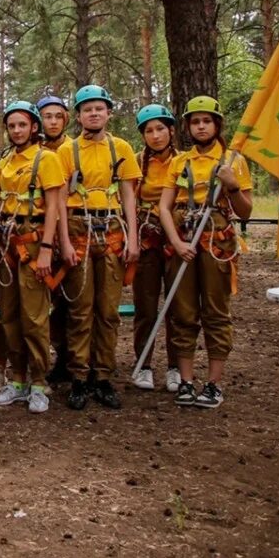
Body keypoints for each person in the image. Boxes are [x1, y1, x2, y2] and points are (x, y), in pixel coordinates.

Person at [158, 96, 252, 409]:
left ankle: (213, 384)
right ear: (187, 126)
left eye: (206, 121)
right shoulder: (178, 161)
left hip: (217, 242)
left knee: (215, 312)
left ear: (216, 124)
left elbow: (246, 212)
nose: (201, 127)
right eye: (195, 121)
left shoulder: (233, 161)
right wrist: (176, 242)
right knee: (182, 312)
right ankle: (185, 381)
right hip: (183, 240)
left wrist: (233, 186)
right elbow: (163, 206)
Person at [55, 85, 141, 411]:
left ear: (108, 113)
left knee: (107, 311)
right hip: (78, 228)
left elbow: (129, 195)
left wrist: (133, 237)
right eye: (87, 109)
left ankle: (102, 376)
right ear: (77, 116)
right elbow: (60, 201)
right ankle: (78, 376)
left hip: (113, 229)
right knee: (80, 309)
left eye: (99, 108)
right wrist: (64, 241)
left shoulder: (121, 149)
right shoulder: (66, 152)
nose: (94, 113)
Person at [0, 102, 65, 414]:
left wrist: (47, 249)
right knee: (9, 316)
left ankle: (38, 381)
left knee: (34, 317)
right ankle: (17, 379)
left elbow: (54, 208)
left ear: (34, 127)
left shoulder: (46, 159)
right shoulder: (6, 162)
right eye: (12, 126)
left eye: (22, 125)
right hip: (6, 243)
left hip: (33, 244)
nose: (17, 131)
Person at [131, 104, 181, 393]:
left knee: (178, 306)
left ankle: (175, 366)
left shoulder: (183, 162)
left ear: (171, 131)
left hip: (176, 241)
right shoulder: (138, 164)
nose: (155, 135)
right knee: (146, 306)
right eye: (149, 130)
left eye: (160, 128)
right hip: (148, 240)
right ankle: (144, 364)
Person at [36, 93, 72, 385]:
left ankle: (70, 357)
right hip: (40, 236)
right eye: (47, 116)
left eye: (57, 116)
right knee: (38, 303)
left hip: (72, 233)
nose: (52, 121)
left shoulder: (74, 150)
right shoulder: (30, 151)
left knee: (70, 302)